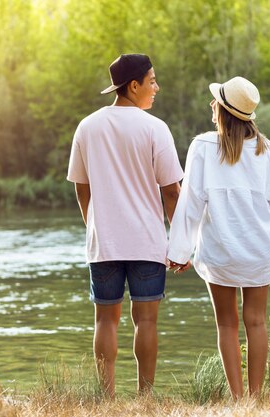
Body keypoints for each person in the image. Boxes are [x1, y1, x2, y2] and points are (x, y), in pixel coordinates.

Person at [166, 76, 270, 399]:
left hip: (220, 253)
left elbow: (191, 202)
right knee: (256, 322)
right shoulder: (268, 151)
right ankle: (255, 400)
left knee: (226, 325)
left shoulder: (202, 147)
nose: (212, 105)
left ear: (223, 111)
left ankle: (237, 400)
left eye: (217, 101)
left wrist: (180, 251)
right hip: (259, 251)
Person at [67, 53, 183, 398]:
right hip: (147, 241)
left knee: (105, 320)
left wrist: (95, 227)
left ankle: (107, 399)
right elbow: (173, 192)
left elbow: (81, 187)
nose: (156, 88)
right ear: (133, 86)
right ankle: (145, 398)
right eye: (151, 82)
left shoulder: (87, 127)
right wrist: (180, 243)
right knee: (146, 321)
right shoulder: (155, 128)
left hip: (104, 244)